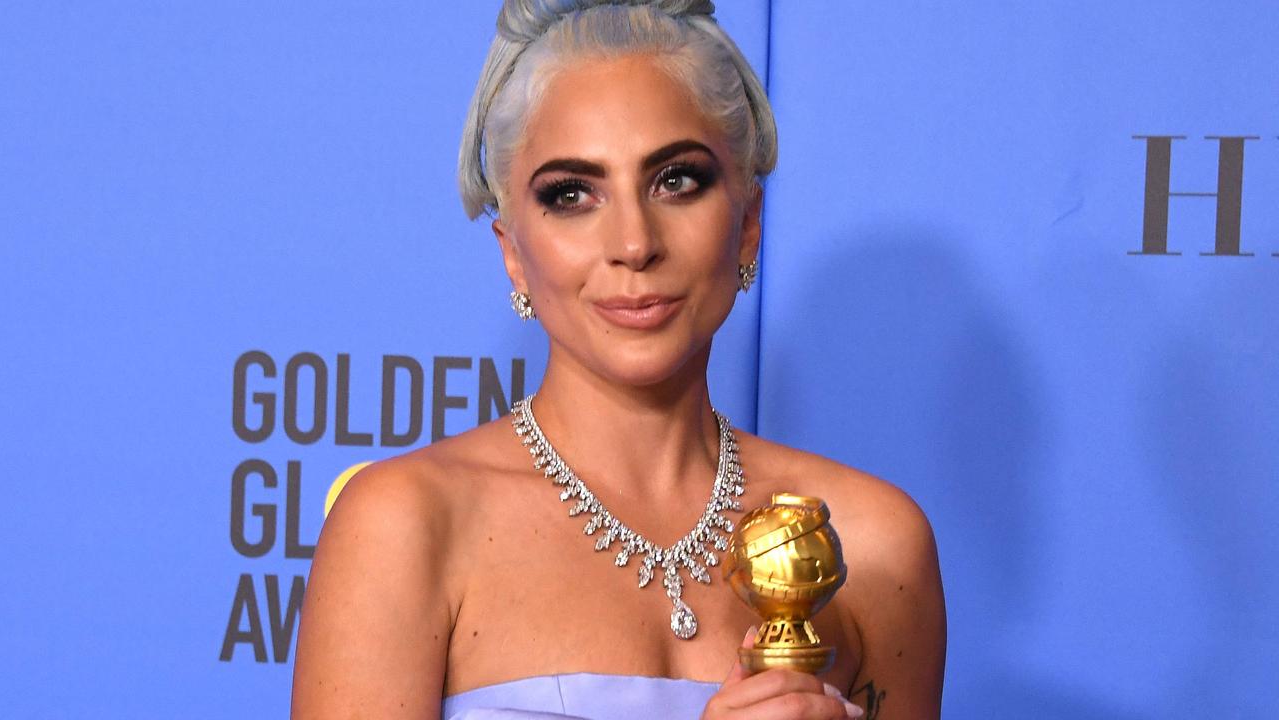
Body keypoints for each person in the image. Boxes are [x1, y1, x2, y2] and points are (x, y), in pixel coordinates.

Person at [290, 2, 945, 718]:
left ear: (749, 224)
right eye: (572, 195)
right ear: (514, 253)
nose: (634, 243)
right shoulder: (405, 525)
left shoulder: (870, 543)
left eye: (676, 181)